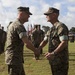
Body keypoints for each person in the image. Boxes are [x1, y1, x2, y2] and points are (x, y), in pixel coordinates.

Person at [5, 6, 39, 75]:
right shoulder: (19, 26)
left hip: (14, 58)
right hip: (14, 59)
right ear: (21, 14)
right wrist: (35, 51)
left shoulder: (13, 24)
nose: (29, 16)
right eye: (27, 14)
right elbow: (27, 43)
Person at [38, 7, 69, 75]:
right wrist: (38, 49)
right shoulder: (51, 29)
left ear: (55, 15)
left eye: (48, 14)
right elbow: (45, 40)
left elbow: (64, 42)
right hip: (53, 60)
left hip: (60, 61)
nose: (46, 16)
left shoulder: (61, 27)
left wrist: (53, 53)